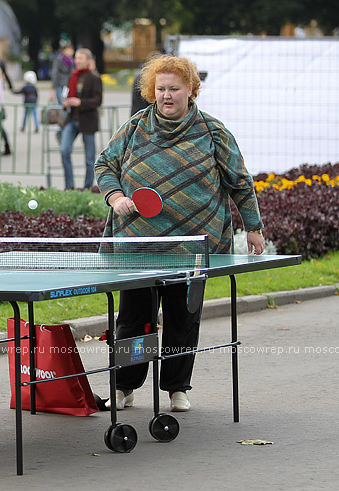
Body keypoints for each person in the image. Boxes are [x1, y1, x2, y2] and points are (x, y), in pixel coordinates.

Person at [94, 54, 266, 413]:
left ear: (191, 89)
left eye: (174, 88)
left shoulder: (213, 131)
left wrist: (253, 227)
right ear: (151, 91)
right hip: (137, 246)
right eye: (160, 89)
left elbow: (240, 182)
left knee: (182, 320)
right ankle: (124, 388)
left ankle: (176, 389)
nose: (166, 95)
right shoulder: (135, 127)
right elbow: (105, 164)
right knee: (133, 322)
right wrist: (115, 195)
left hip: (191, 247)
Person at [60, 48, 102, 190]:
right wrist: (65, 102)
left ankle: (87, 187)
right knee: (64, 150)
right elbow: (67, 92)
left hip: (87, 120)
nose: (77, 61)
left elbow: (98, 100)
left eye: (81, 58)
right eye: (76, 58)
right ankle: (69, 186)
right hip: (72, 119)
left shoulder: (94, 77)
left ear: (88, 61)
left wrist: (81, 102)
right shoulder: (73, 75)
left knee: (89, 158)